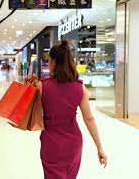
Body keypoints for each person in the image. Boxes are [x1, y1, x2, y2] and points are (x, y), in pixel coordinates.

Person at [32, 40, 107, 179]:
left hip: (51, 141)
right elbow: (89, 118)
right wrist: (99, 148)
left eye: (49, 61)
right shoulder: (80, 88)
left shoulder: (42, 86)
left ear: (54, 62)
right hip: (73, 142)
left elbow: (32, 114)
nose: (48, 65)